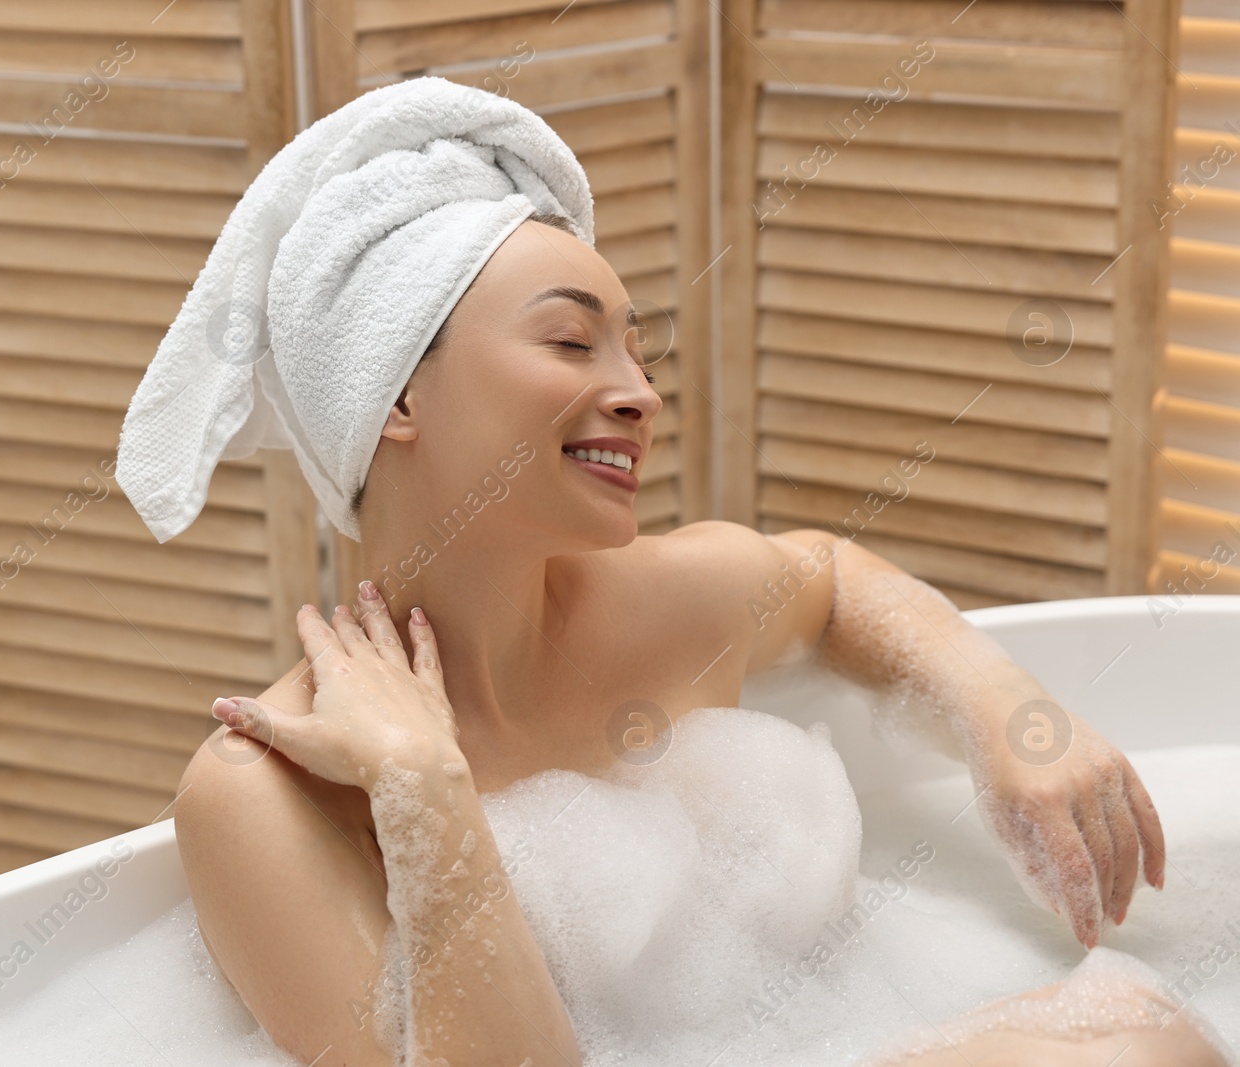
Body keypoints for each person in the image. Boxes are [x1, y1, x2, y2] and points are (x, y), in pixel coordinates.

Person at [168, 211, 1217, 1066]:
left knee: (1145, 1043)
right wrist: (422, 789)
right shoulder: (262, 790)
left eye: (633, 346)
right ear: (396, 393)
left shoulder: (654, 605)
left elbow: (830, 574)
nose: (639, 392)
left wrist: (1005, 713)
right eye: (572, 340)